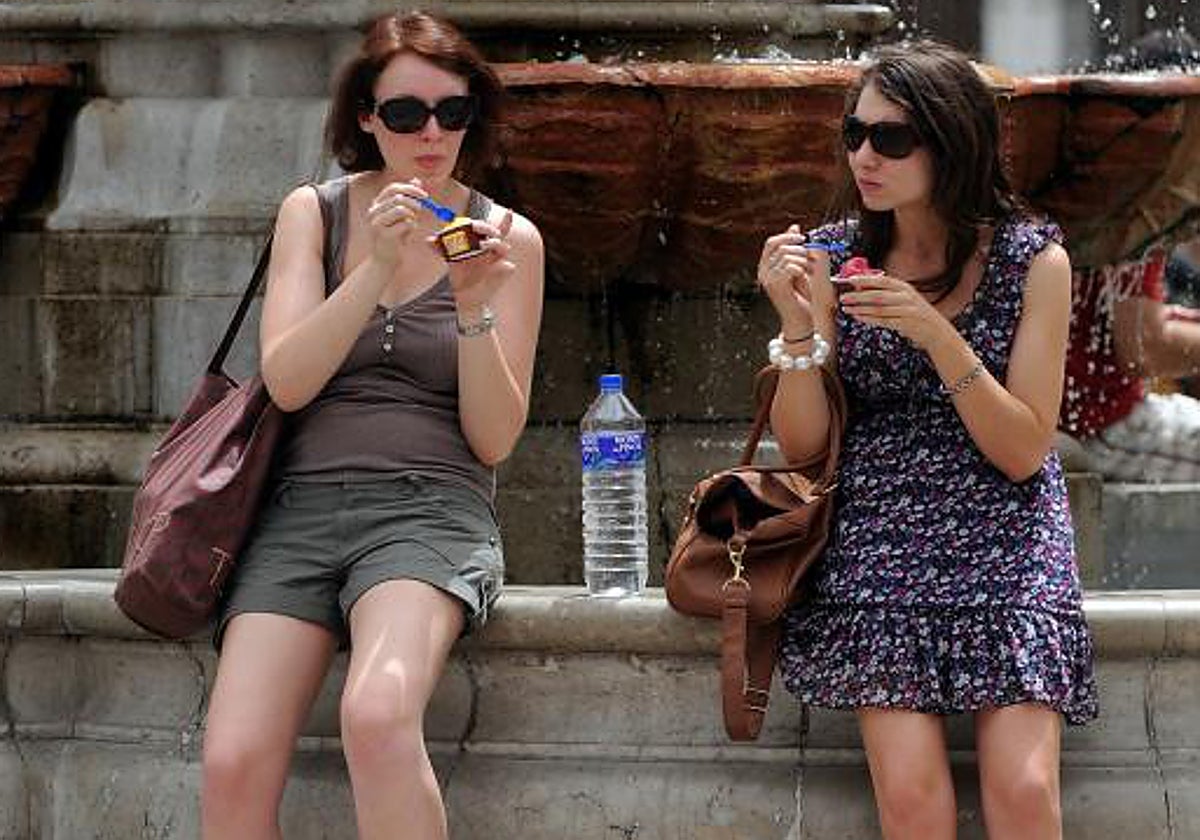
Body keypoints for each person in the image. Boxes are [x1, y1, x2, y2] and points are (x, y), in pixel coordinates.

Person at [200, 11, 544, 840]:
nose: (431, 135)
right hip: (298, 512)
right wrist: (376, 266)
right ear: (365, 118)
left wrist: (471, 309)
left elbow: (495, 440)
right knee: (232, 762)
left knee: (380, 713)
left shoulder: (507, 240)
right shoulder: (313, 214)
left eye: (452, 115)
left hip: (429, 512)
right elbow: (286, 380)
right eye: (405, 115)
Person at [757, 41, 1096, 840]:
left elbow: (1024, 450)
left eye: (892, 139)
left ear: (953, 143)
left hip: (1009, 535)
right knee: (911, 804)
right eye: (855, 134)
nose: (864, 155)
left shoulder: (1033, 260)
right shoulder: (837, 256)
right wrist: (799, 328)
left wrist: (936, 335)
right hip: (879, 537)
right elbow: (805, 446)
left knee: (1021, 789)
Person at [1059, 28, 1200, 480]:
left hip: (1070, 408)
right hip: (1102, 423)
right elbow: (1144, 346)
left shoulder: (1091, 164)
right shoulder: (1140, 188)